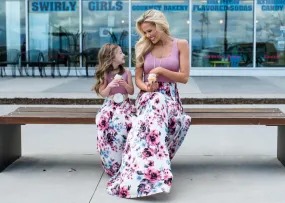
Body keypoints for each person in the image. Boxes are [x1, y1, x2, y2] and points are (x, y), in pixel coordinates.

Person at [106, 10, 191, 198]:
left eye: (151, 30)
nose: (148, 35)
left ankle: (147, 168)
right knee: (154, 103)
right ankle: (148, 170)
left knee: (156, 105)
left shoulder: (181, 44)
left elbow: (184, 77)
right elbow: (138, 80)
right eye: (145, 32)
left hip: (169, 98)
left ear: (161, 26)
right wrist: (148, 87)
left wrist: (161, 70)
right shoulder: (142, 47)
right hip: (147, 97)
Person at [93, 43, 135, 176]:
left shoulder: (126, 72)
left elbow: (132, 91)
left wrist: (125, 84)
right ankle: (110, 161)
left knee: (124, 124)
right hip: (110, 104)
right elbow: (103, 93)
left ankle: (125, 160)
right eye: (120, 53)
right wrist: (110, 85)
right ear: (111, 57)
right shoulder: (106, 73)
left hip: (124, 104)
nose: (124, 55)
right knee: (103, 121)